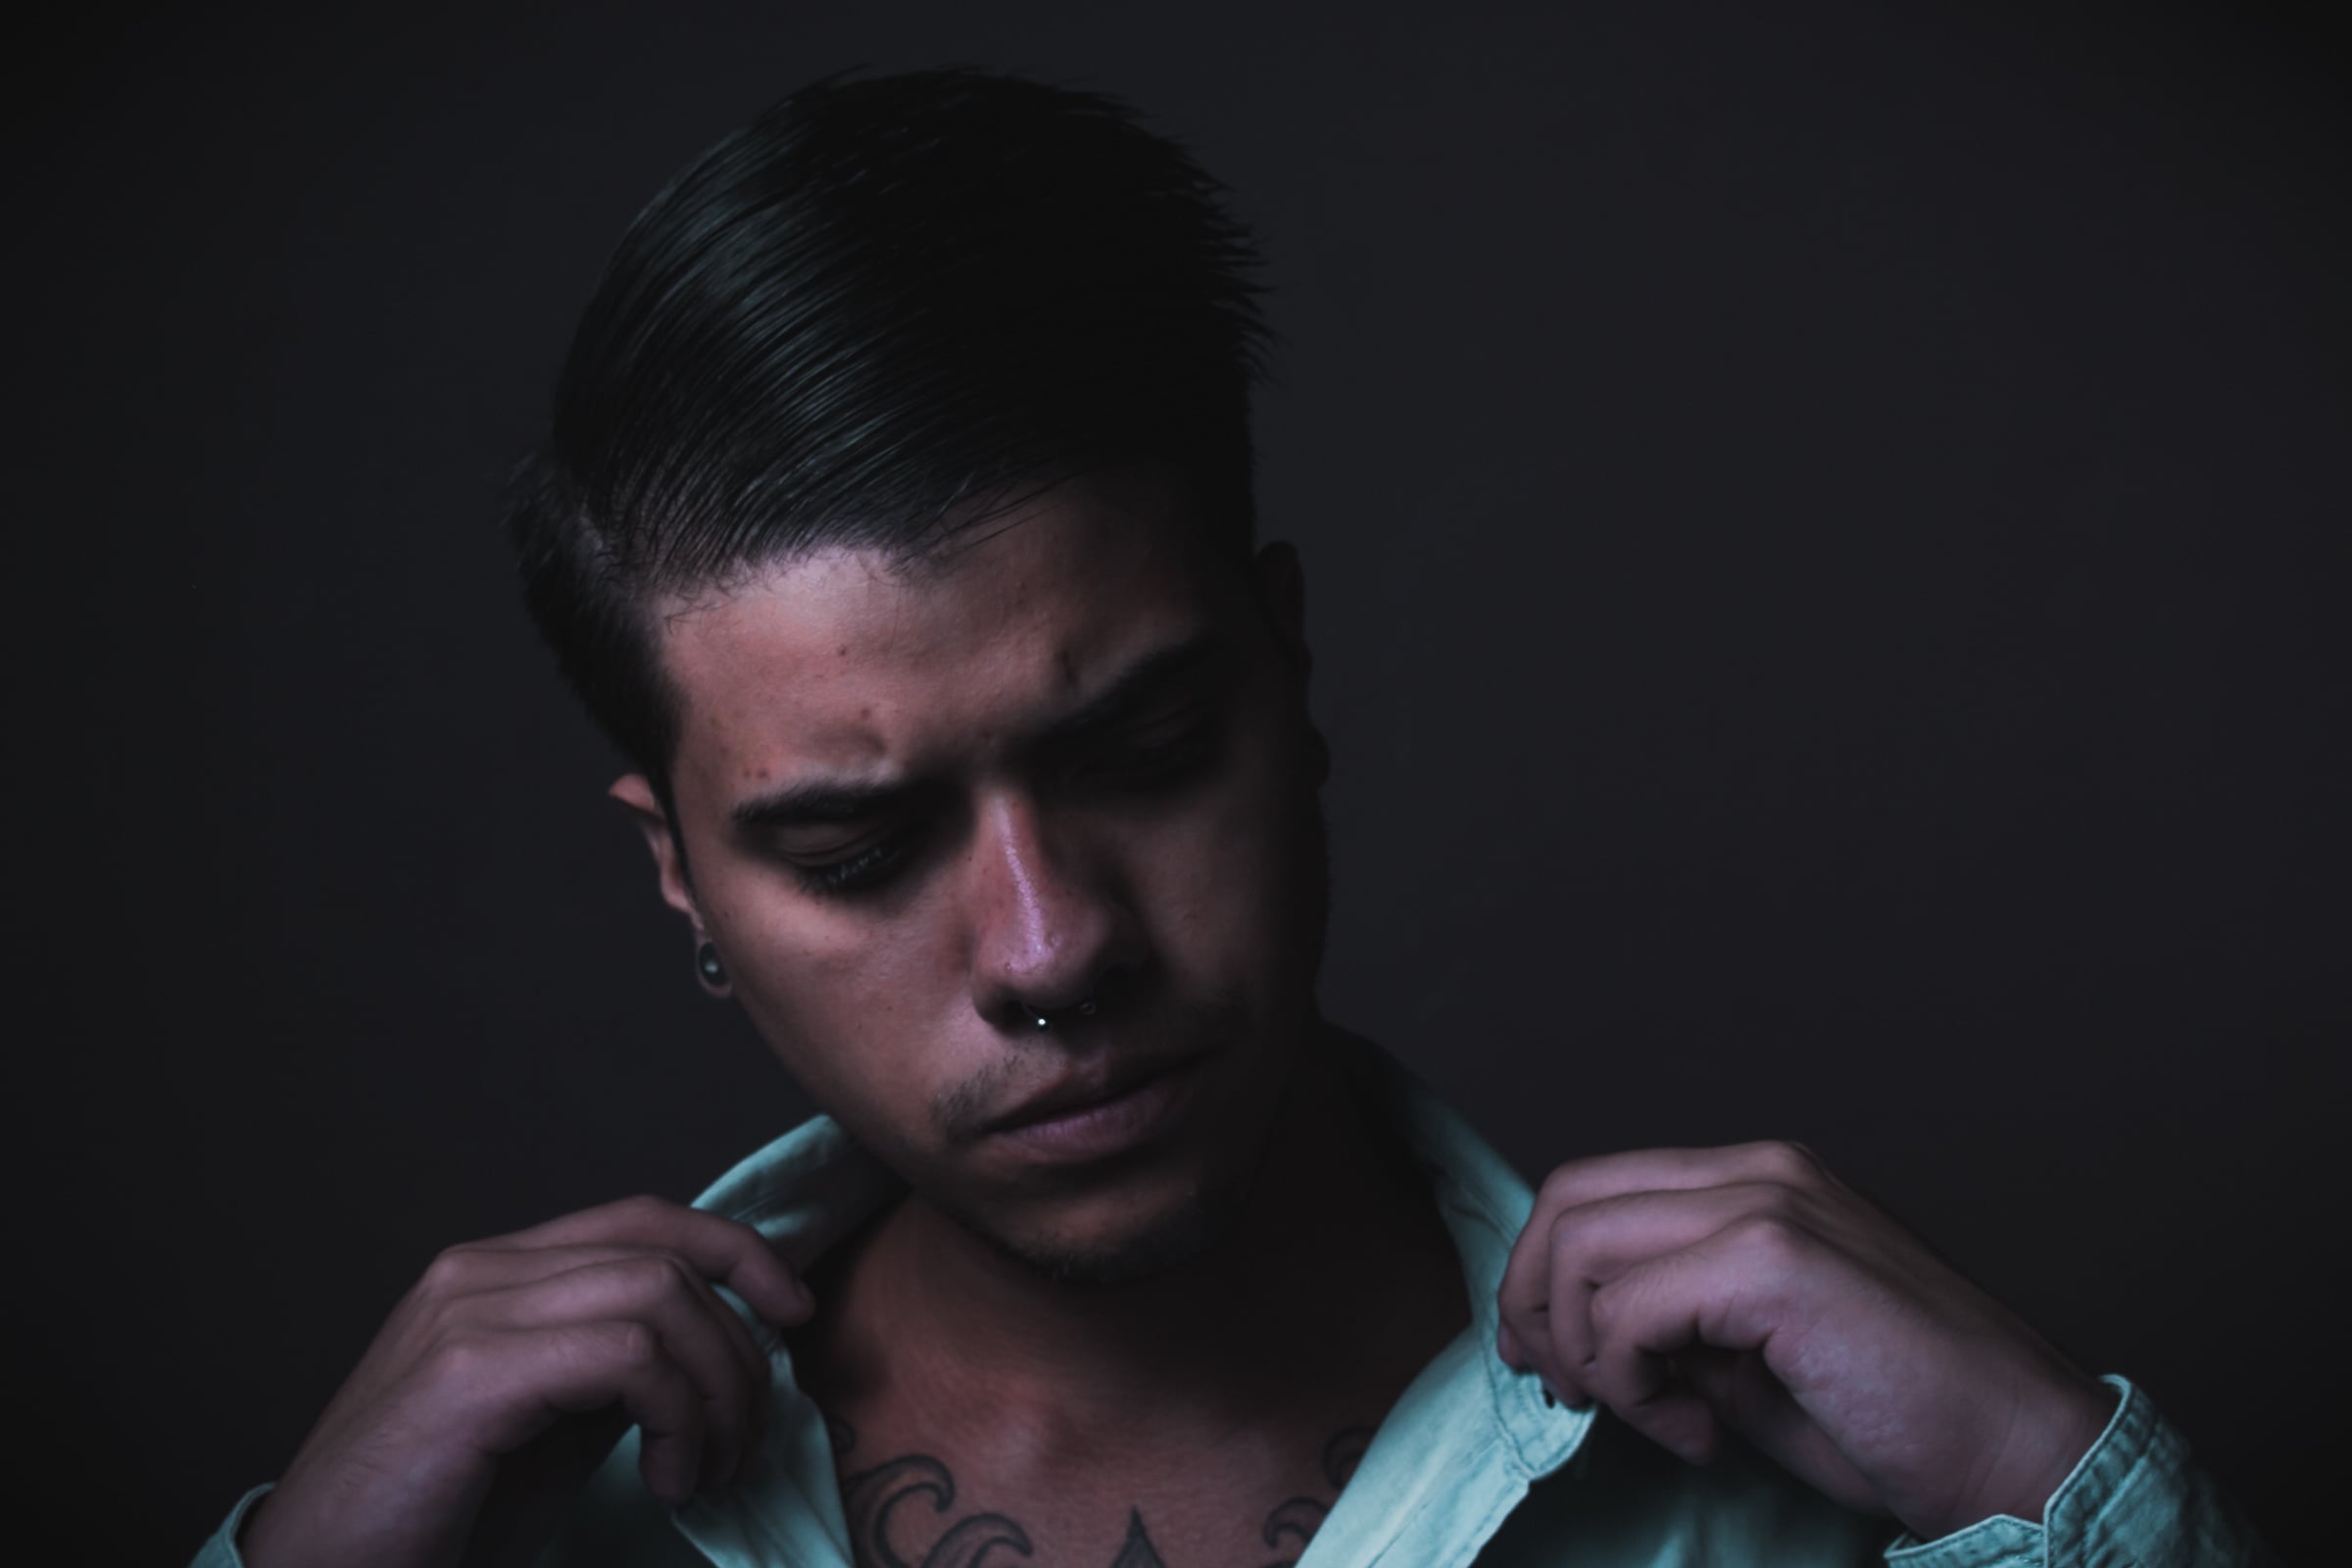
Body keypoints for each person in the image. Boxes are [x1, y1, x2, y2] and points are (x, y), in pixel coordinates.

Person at [191, 68, 2274, 1568]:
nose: (1052, 946)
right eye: (858, 850)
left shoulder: (1840, 1493)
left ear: (1288, 678)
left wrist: (2053, 1483)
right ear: (683, 878)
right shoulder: (502, 1530)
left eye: (1146, 746)